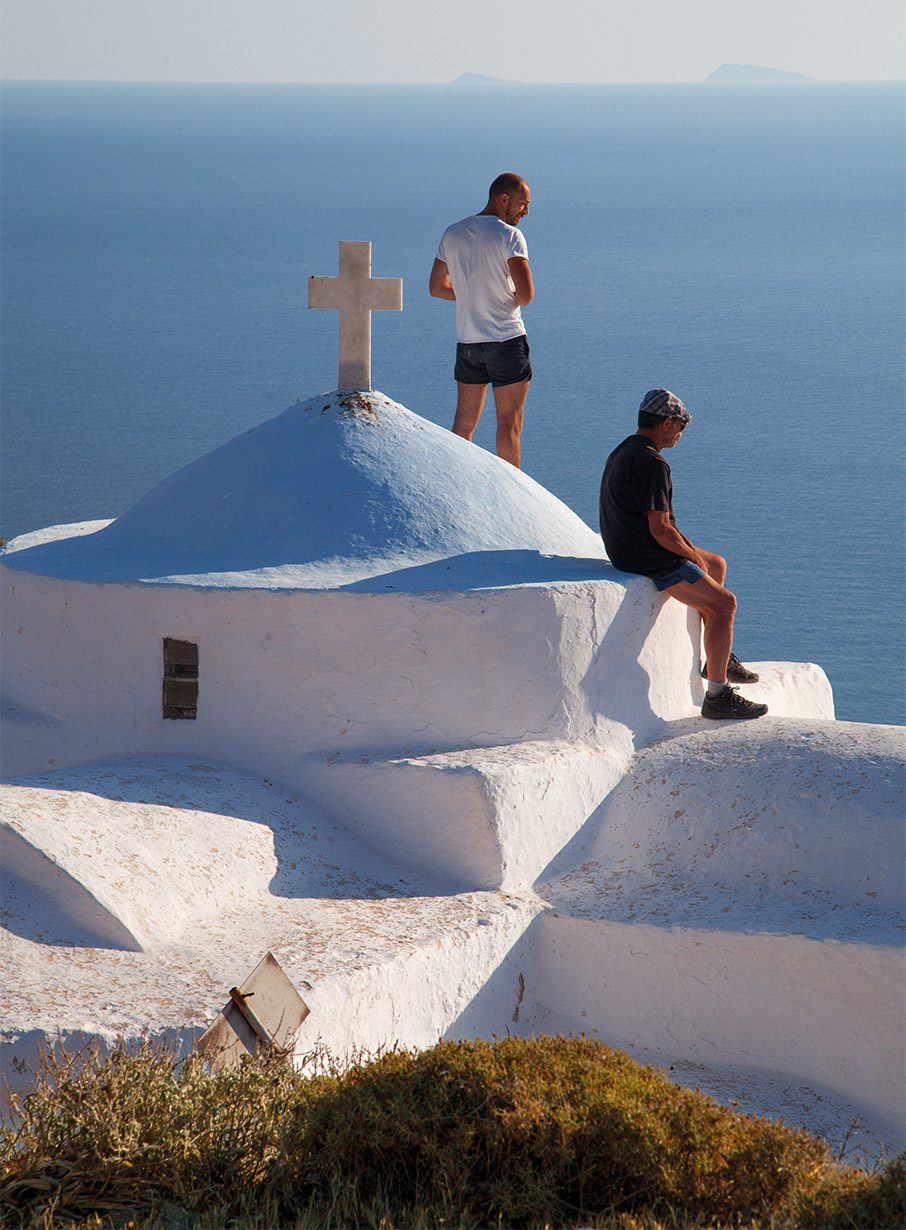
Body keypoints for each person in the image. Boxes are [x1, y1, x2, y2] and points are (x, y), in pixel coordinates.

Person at [599, 389, 768, 720]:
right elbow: (661, 530)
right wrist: (691, 557)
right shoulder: (652, 463)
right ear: (666, 423)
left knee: (716, 564)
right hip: (646, 556)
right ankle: (717, 695)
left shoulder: (626, 449)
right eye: (680, 426)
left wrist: (697, 557)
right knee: (725, 604)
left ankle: (717, 657)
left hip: (627, 546)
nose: (680, 433)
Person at [429, 172, 534, 468]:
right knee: (508, 424)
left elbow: (437, 287)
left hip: (468, 343)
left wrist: (473, 295)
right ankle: (514, 495)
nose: (526, 212)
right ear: (504, 199)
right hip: (506, 340)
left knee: (463, 423)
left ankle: (455, 480)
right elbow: (525, 295)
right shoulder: (509, 235)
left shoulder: (453, 232)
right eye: (523, 204)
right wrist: (498, 295)